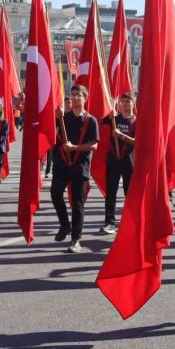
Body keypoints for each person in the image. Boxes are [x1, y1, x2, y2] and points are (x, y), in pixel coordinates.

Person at [49, 85, 99, 253]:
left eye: (79, 95)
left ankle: (76, 239)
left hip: (80, 165)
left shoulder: (90, 120)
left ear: (85, 98)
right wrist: (56, 117)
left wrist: (75, 147)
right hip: (62, 164)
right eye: (73, 94)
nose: (75, 97)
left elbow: (94, 145)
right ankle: (65, 225)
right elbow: (51, 135)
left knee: (77, 204)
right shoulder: (63, 118)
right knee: (55, 194)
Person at [99, 93, 136, 235]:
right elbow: (98, 119)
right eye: (123, 101)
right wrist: (108, 111)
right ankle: (109, 222)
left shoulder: (137, 121)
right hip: (113, 160)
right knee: (111, 192)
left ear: (133, 104)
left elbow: (137, 141)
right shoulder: (113, 119)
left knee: (129, 193)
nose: (125, 103)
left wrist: (120, 135)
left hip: (129, 161)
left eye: (128, 101)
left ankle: (130, 221)